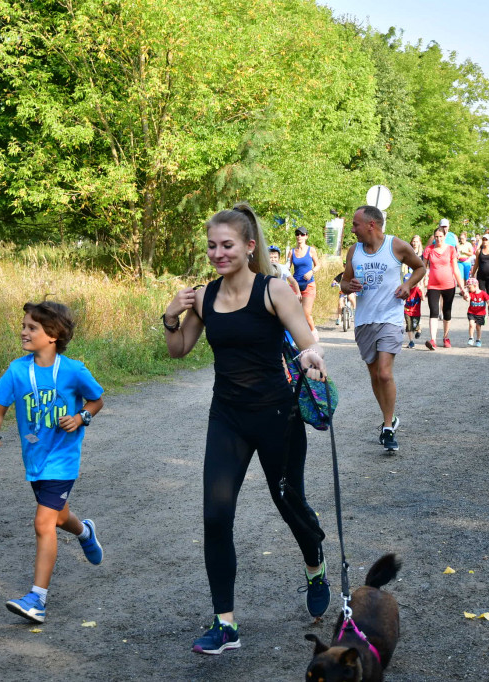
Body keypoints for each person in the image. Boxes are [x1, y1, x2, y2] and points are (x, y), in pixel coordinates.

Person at [162, 203, 330, 654]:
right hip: (228, 417)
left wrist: (311, 357)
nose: (218, 253)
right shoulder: (204, 297)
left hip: (278, 414)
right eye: (212, 246)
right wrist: (170, 317)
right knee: (216, 515)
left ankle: (315, 563)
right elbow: (178, 349)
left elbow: (304, 338)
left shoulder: (274, 290)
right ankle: (225, 624)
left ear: (249, 246)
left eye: (227, 245)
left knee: (288, 501)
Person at [0, 301, 105, 623]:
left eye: (31, 327)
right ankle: (85, 532)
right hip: (34, 460)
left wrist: (81, 417)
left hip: (63, 460)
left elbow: (97, 399)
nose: (23, 331)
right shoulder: (18, 370)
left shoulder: (73, 370)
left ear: (53, 335)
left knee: (43, 523)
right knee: (59, 517)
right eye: (23, 325)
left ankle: (37, 598)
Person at [340, 205, 425, 452]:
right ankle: (390, 416)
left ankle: (388, 427)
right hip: (364, 320)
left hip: (390, 317)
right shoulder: (354, 251)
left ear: (371, 225)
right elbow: (344, 283)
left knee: (385, 373)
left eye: (356, 225)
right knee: (375, 375)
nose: (353, 230)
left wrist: (408, 284)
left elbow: (420, 267)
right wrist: (349, 286)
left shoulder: (395, 246)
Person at [422, 225, 467, 350]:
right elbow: (423, 268)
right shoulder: (429, 250)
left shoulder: (451, 249)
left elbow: (456, 269)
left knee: (447, 312)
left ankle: (446, 337)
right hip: (433, 286)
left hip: (448, 285)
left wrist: (462, 288)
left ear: (444, 236)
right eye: (436, 237)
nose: (438, 239)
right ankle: (433, 339)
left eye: (440, 236)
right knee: (434, 312)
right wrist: (421, 283)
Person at [290, 227, 321, 339]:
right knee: (292, 312)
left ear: (306, 236)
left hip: (308, 284)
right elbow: (286, 268)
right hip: (295, 284)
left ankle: (313, 333)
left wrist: (311, 272)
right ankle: (296, 336)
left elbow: (318, 265)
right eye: (297, 234)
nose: (299, 236)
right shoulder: (292, 252)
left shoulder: (311, 250)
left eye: (302, 234)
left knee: (305, 313)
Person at [470, 234, 489, 302]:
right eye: (483, 240)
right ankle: (482, 311)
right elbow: (476, 263)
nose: (485, 241)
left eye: (486, 240)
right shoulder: (479, 251)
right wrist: (472, 274)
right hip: (481, 276)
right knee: (481, 294)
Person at [464, 278, 489, 347]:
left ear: (475, 286)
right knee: (471, 324)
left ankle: (478, 340)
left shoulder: (483, 293)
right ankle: (471, 338)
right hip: (471, 312)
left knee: (478, 327)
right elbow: (467, 299)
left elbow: (488, 300)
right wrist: (466, 293)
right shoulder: (470, 293)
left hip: (481, 313)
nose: (469, 289)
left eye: (469, 287)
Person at [403, 276, 422, 349]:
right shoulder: (405, 290)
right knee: (409, 325)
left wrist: (421, 290)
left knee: (414, 326)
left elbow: (423, 298)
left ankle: (419, 329)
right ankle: (411, 342)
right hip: (407, 311)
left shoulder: (417, 289)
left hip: (415, 312)